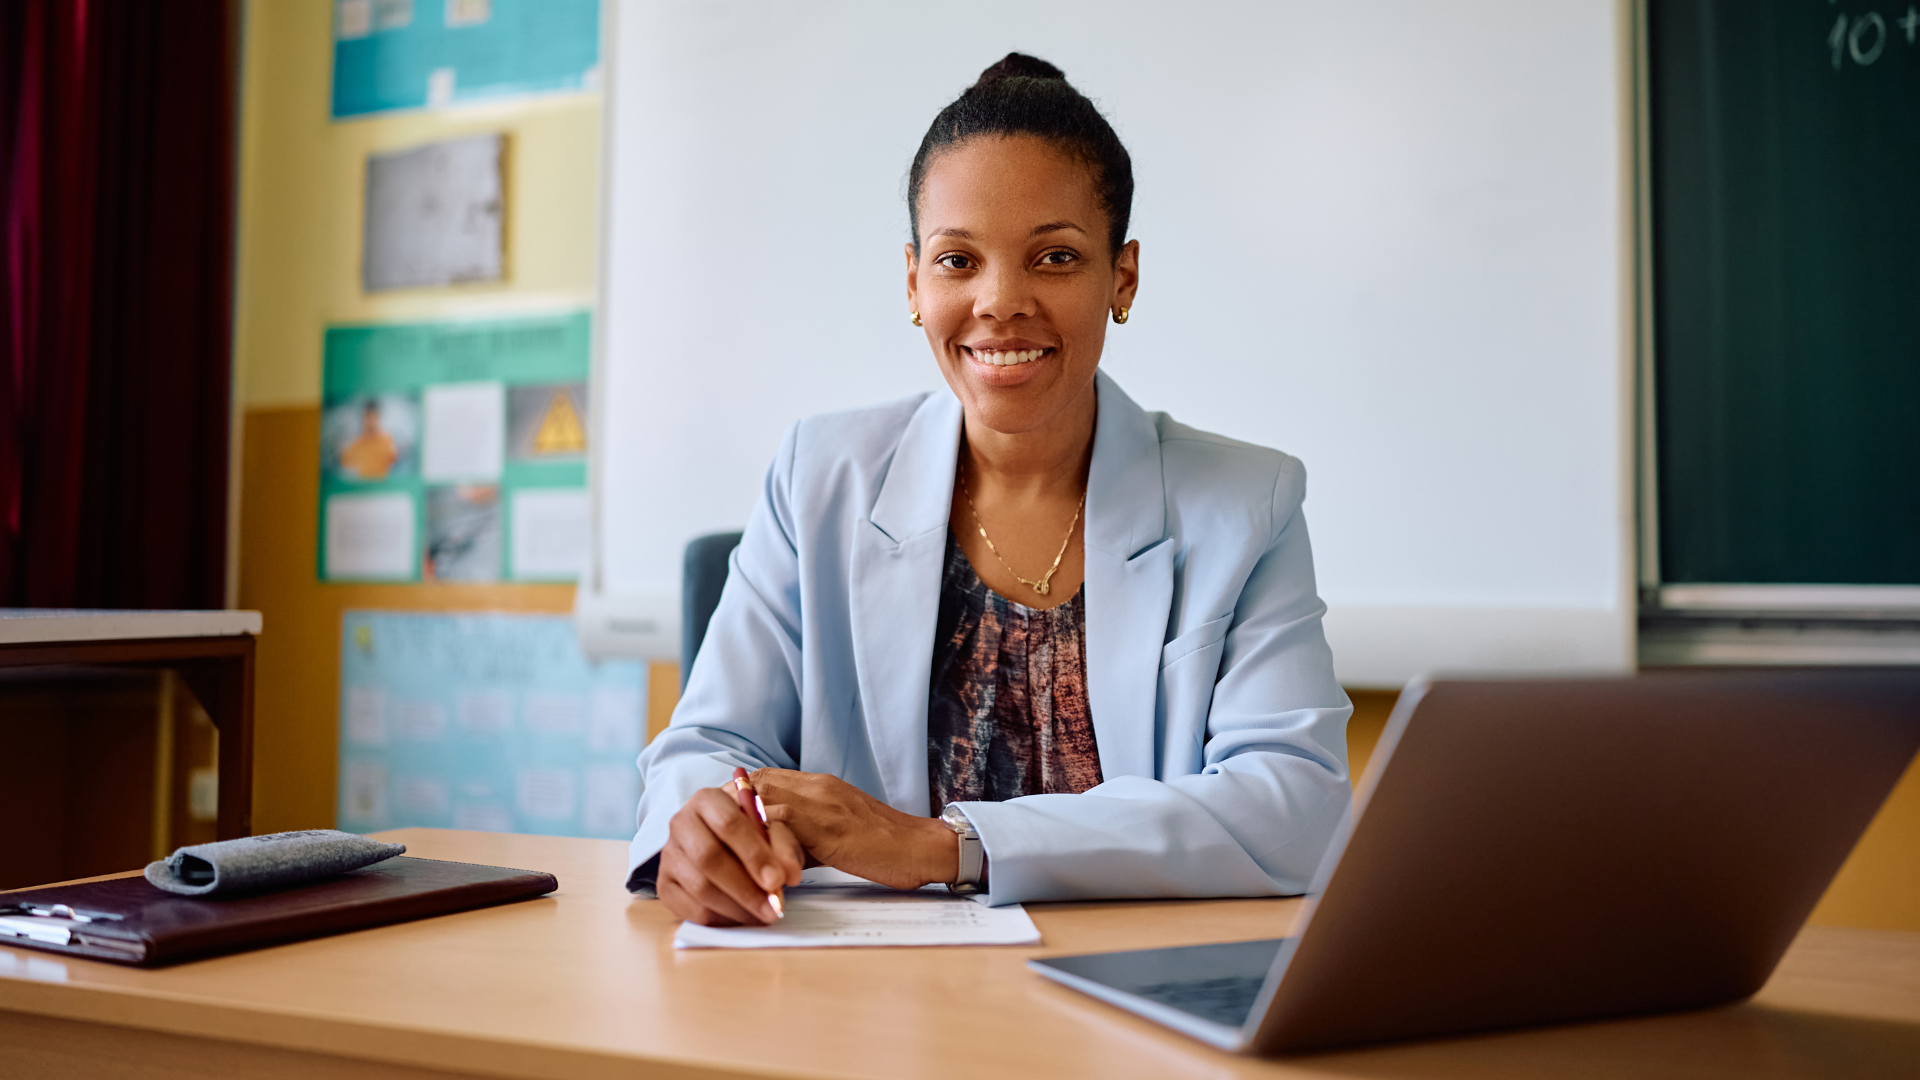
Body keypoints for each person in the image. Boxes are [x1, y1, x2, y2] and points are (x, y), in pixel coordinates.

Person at [630, 53, 1352, 927]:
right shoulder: (819, 475)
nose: (1001, 302)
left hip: (1129, 1001)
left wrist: (939, 846)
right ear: (913, 282)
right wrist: (706, 828)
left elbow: (1293, 807)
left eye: (1053, 257)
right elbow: (709, 745)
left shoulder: (1245, 502)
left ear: (1121, 278)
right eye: (957, 260)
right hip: (867, 1009)